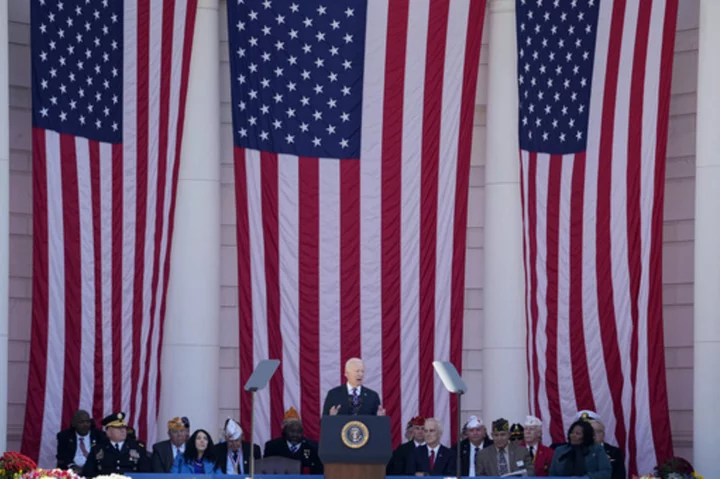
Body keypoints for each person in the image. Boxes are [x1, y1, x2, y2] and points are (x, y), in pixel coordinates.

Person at [82, 412, 151, 477]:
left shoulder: (137, 447)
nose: (123, 430)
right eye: (118, 428)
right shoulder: (98, 449)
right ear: (108, 432)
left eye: (124, 427)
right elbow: (88, 473)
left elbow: (146, 473)